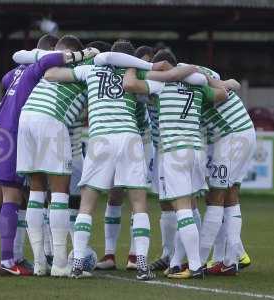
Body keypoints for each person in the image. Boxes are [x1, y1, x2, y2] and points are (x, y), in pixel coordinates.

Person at [43, 39, 200, 280]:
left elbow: (51, 74)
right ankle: (142, 265)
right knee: (139, 204)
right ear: (131, 58)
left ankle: (77, 263)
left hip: (101, 138)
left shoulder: (91, 69)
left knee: (88, 203)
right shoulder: (136, 72)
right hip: (130, 138)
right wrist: (194, 69)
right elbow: (172, 76)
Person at [0, 34, 94, 276]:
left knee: (4, 197)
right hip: (19, 129)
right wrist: (84, 55)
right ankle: (37, 263)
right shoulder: (56, 66)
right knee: (31, 195)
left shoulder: (22, 70)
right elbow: (52, 62)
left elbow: (8, 72)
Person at [122, 49, 228, 279]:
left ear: (164, 66)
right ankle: (181, 262)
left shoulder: (161, 86)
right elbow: (224, 94)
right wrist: (203, 77)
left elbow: (129, 84)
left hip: (173, 151)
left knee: (181, 209)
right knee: (190, 206)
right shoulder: (197, 87)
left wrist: (134, 66)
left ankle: (195, 266)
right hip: (196, 151)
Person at [15, 35, 99, 277]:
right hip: (51, 120)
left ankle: (41, 263)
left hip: (27, 117)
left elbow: (20, 55)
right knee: (60, 194)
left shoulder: (46, 62)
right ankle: (61, 264)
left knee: (36, 192)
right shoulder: (86, 68)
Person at [96, 46, 155, 271]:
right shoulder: (116, 74)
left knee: (137, 198)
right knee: (114, 195)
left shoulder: (140, 75)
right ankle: (109, 255)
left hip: (142, 140)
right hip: (122, 138)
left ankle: (133, 256)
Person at [198, 66, 256, 275]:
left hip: (233, 138)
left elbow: (227, 86)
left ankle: (211, 261)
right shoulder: (205, 77)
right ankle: (228, 258)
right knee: (230, 193)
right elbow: (231, 83)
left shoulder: (192, 83)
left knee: (217, 197)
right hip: (242, 134)